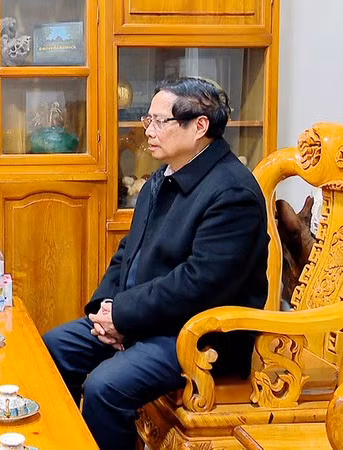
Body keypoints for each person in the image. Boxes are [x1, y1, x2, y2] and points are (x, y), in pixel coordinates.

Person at [43, 77, 269, 450]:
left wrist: (123, 317)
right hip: (142, 319)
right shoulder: (162, 177)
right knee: (54, 348)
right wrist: (104, 310)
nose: (147, 130)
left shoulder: (232, 193)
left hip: (198, 336)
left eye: (159, 121)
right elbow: (127, 252)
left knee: (104, 387)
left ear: (199, 126)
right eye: (148, 119)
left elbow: (199, 285)